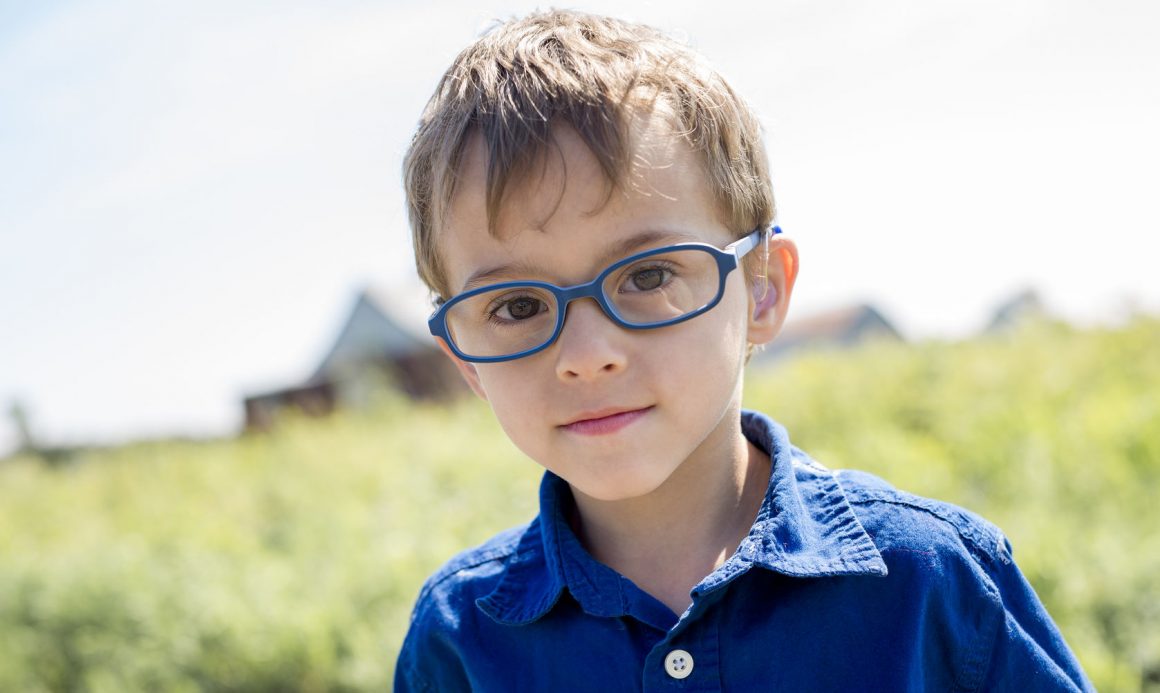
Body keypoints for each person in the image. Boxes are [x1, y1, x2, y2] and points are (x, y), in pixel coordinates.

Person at [394, 10, 1092, 691]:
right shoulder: (456, 645)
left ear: (760, 288)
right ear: (464, 358)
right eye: (516, 306)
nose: (587, 353)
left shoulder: (931, 582)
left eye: (648, 276)